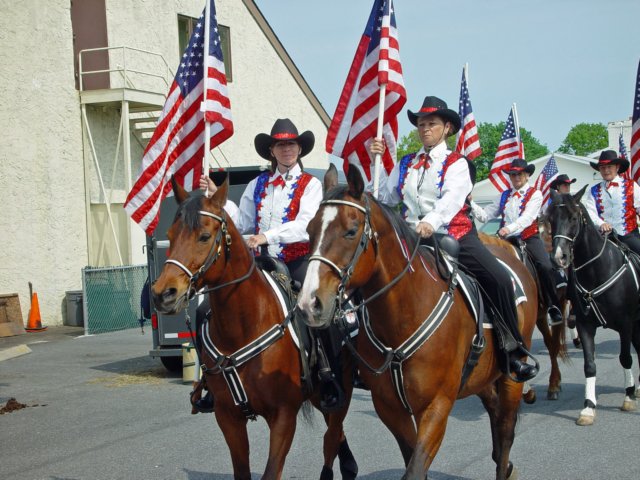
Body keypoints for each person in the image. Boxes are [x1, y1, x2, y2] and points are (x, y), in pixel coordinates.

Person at [370, 96, 538, 382]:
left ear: (447, 128)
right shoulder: (406, 163)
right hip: (409, 240)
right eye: (421, 124)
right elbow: (386, 198)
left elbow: (451, 200)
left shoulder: (457, 164)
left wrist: (429, 223)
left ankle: (513, 350)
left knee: (498, 278)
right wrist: (378, 164)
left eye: (431, 123)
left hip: (454, 235)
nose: (425, 129)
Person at [198, 118, 343, 412]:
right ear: (272, 151)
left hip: (297, 259)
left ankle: (327, 373)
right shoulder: (257, 184)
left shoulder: (311, 185)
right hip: (261, 265)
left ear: (299, 148)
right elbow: (241, 223)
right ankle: (209, 381)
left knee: (315, 307)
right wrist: (218, 199)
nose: (287, 149)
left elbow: (306, 225)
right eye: (280, 144)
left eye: (291, 143)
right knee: (205, 309)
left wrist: (267, 235)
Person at [474, 158, 564, 326]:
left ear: (527, 175)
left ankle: (553, 306)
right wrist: (469, 202)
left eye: (519, 174)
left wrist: (509, 228)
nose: (516, 178)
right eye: (513, 174)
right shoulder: (503, 196)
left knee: (545, 265)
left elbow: (528, 218)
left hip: (528, 238)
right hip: (505, 241)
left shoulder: (535, 194)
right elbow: (485, 215)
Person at [583, 150, 640, 256]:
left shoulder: (632, 186)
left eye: (609, 166)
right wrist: (601, 224)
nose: (606, 170)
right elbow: (590, 212)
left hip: (628, 236)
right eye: (603, 167)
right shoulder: (593, 190)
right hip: (604, 237)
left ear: (617, 167)